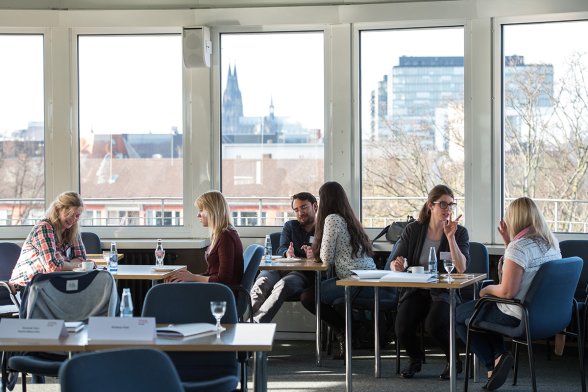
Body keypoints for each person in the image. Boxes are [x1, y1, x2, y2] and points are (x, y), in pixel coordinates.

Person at [456, 197, 561, 391]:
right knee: (480, 312)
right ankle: (499, 358)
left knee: (460, 315)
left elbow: (507, 291)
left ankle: (492, 364)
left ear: (514, 218)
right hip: (547, 316)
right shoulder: (550, 243)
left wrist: (485, 290)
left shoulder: (519, 247)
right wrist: (508, 243)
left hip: (518, 314)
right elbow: (520, 269)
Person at [389, 184, 470, 380]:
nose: (448, 209)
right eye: (443, 204)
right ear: (430, 206)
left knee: (434, 325)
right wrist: (397, 265)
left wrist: (450, 238)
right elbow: (396, 260)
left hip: (443, 291)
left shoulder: (459, 232)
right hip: (416, 289)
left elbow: (461, 268)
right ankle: (415, 359)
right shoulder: (413, 230)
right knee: (401, 327)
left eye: (451, 204)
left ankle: (454, 361)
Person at [300, 181, 379, 359]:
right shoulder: (349, 218)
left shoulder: (332, 219)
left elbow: (327, 259)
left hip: (353, 280)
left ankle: (344, 331)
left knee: (308, 297)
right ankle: (347, 331)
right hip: (368, 277)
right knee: (324, 295)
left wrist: (315, 253)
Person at [250, 192, 318, 323]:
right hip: (278, 269)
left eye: (304, 207)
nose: (300, 213)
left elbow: (326, 255)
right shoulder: (290, 226)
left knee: (282, 286)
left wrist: (314, 255)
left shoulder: (324, 228)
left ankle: (253, 325)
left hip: (301, 273)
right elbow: (281, 248)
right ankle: (245, 324)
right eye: (296, 210)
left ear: (315, 206)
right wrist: (287, 253)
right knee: (260, 284)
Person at [10, 191, 88, 289]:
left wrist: (65, 264)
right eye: (69, 214)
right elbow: (53, 266)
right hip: (28, 286)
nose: (73, 219)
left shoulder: (73, 229)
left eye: (77, 216)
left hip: (53, 283)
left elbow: (82, 259)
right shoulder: (44, 227)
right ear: (58, 210)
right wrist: (73, 264)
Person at [165, 191, 244, 286]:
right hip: (216, 289)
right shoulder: (220, 234)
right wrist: (188, 277)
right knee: (171, 286)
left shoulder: (225, 236)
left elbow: (224, 280)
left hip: (221, 293)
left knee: (164, 290)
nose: (198, 215)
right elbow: (211, 274)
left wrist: (193, 278)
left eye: (201, 210)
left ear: (212, 211)